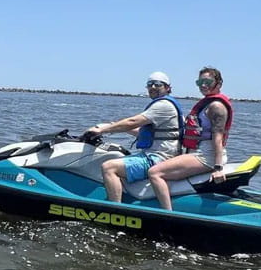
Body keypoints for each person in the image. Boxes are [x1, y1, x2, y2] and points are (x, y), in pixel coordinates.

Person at [85, 72, 184, 202]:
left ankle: (115, 209)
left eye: (158, 84)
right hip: (159, 155)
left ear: (167, 87)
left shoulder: (163, 105)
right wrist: (112, 126)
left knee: (108, 167)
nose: (153, 87)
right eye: (150, 84)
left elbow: (132, 122)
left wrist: (102, 130)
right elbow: (145, 133)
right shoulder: (166, 105)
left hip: (157, 158)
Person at [147, 67, 233, 211]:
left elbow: (218, 138)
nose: (203, 85)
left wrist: (218, 168)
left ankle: (167, 214)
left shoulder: (216, 106)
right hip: (199, 153)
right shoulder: (207, 103)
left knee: (154, 173)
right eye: (200, 82)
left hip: (207, 156)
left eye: (208, 82)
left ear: (219, 83)